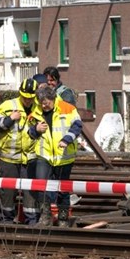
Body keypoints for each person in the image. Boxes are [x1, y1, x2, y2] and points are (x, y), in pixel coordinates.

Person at [28, 82, 84, 226]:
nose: (44, 106)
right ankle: (45, 216)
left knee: (63, 189)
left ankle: (63, 218)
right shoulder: (36, 110)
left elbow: (77, 126)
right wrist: (36, 129)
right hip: (44, 155)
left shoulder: (68, 108)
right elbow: (29, 133)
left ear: (53, 99)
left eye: (46, 103)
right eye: (41, 103)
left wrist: (67, 139)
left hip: (63, 156)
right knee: (42, 186)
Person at [0, 76, 38, 224]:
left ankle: (31, 221)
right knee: (8, 192)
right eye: (25, 97)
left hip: (30, 158)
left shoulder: (38, 109)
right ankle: (6, 220)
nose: (27, 101)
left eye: (30, 98)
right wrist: (10, 118)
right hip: (9, 159)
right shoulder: (7, 106)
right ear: (20, 93)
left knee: (30, 192)